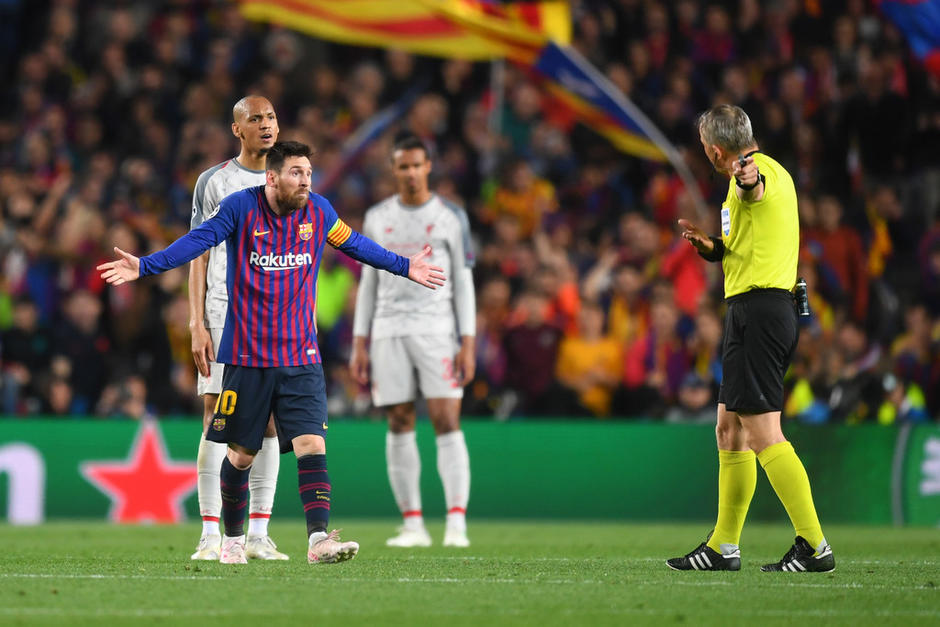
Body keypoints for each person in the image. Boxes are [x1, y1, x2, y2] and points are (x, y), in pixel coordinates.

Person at [98, 140, 445, 564]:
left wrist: (406, 266)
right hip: (247, 359)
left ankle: (319, 540)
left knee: (311, 445)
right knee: (241, 455)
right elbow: (199, 242)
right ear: (273, 176)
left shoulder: (318, 212)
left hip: (302, 358)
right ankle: (232, 540)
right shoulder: (239, 209)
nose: (305, 181)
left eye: (309, 173)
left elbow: (356, 245)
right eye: (296, 173)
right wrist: (146, 265)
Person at [668, 104, 834, 573]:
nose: (705, 154)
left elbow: (753, 189)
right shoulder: (747, 180)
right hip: (749, 309)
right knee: (729, 430)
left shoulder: (758, 174)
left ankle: (814, 544)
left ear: (717, 150)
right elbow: (745, 238)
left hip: (762, 312)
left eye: (705, 149)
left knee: (762, 433)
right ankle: (723, 546)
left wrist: (746, 178)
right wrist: (711, 249)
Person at [349, 133, 475, 548]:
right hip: (387, 329)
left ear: (429, 167)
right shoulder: (376, 217)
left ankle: (456, 522)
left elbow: (462, 280)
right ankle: (413, 524)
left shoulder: (450, 216)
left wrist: (467, 340)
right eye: (402, 166)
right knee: (399, 420)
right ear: (393, 170)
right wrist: (360, 341)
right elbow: (368, 280)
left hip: (437, 330)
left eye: (417, 165)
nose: (410, 173)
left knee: (445, 418)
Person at [188, 95, 286, 561]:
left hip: (272, 319)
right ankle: (210, 533)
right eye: (255, 119)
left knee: (268, 421)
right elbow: (197, 252)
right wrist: (197, 322)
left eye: (270, 117)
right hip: (225, 313)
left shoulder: (289, 176)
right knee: (216, 417)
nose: (265, 125)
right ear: (237, 130)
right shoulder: (215, 182)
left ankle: (259, 534)